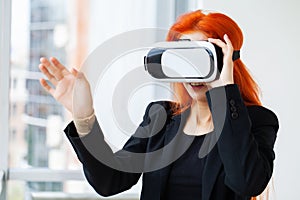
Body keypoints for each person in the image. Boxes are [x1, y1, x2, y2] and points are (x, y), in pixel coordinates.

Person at [38, 10, 279, 200]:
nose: (193, 73)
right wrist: (83, 117)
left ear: (226, 60)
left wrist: (225, 91)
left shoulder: (257, 121)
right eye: (185, 59)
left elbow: (247, 181)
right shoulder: (161, 116)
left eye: (202, 58)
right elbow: (109, 181)